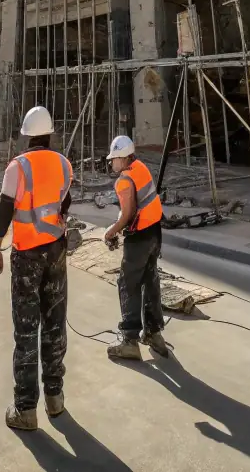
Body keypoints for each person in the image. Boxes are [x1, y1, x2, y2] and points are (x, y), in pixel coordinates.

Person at [0, 105, 73, 432]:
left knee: (26, 329)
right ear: (50, 134)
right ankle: (55, 397)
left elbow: (4, 209)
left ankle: (26, 408)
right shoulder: (64, 164)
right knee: (55, 323)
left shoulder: (18, 167)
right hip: (56, 251)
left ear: (26, 135)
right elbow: (64, 204)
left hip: (26, 256)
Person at [102, 134, 168, 361]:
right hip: (154, 233)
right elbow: (138, 206)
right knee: (150, 281)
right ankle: (154, 332)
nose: (111, 163)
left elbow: (128, 213)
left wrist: (111, 232)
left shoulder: (123, 180)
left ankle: (129, 340)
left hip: (139, 238)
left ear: (122, 157)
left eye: (113, 159)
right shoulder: (140, 168)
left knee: (128, 283)